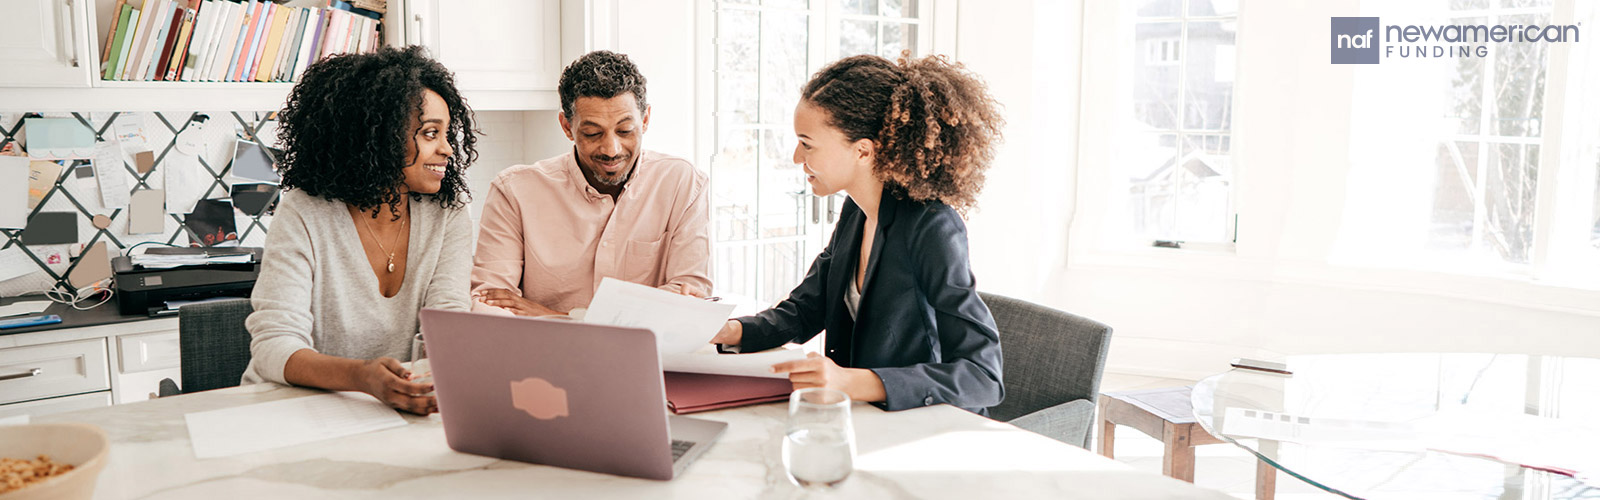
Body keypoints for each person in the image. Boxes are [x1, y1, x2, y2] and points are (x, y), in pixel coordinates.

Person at [710, 53, 1006, 414]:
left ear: (863, 151)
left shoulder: (931, 227)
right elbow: (806, 310)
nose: (795, 157)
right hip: (863, 420)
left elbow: (983, 376)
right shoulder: (856, 211)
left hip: (923, 426)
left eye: (807, 143)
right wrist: (726, 331)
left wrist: (851, 382)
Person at [243, 46, 479, 415]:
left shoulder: (448, 214)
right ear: (380, 135)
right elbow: (274, 346)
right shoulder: (305, 212)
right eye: (431, 133)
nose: (448, 149)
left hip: (393, 409)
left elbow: (447, 326)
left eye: (447, 134)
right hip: (294, 411)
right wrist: (362, 377)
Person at [472, 50, 711, 316]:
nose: (611, 149)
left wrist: (555, 317)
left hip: (644, 357)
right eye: (592, 133)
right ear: (566, 126)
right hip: (544, 356)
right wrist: (644, 310)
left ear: (645, 120)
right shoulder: (513, 191)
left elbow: (691, 300)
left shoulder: (683, 184)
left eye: (625, 131)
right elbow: (490, 304)